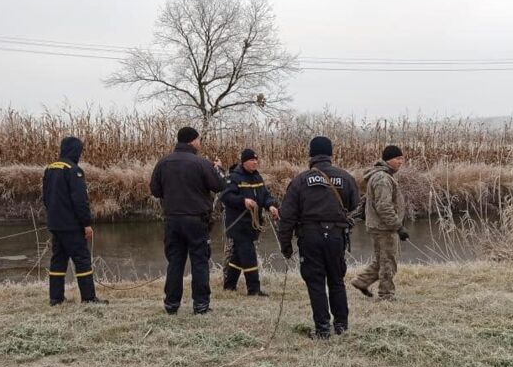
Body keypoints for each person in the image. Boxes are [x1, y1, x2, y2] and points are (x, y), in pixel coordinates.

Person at [278, 136, 359, 339]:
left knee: (315, 282)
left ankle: (322, 329)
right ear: (331, 154)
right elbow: (355, 206)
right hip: (336, 236)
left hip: (310, 237)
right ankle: (341, 325)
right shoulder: (346, 177)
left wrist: (285, 246)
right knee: (336, 280)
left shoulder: (300, 180)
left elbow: (287, 217)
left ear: (311, 155)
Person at [150, 127, 225, 315]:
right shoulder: (202, 163)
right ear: (192, 141)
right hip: (197, 220)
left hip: (172, 220)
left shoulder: (163, 162)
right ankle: (200, 305)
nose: (200, 143)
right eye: (199, 140)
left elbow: (155, 190)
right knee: (199, 262)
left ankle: (171, 304)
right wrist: (218, 169)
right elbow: (219, 185)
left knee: (175, 262)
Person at [43, 136, 108, 306]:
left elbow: (46, 198)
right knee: (82, 260)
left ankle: (55, 298)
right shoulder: (74, 170)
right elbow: (80, 201)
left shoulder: (50, 169)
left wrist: (54, 217)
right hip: (72, 226)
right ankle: (89, 298)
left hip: (55, 224)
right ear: (75, 151)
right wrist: (86, 224)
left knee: (58, 260)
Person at [351, 145, 408, 301]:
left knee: (383, 259)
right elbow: (384, 206)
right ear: (388, 160)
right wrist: (398, 226)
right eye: (397, 158)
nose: (400, 162)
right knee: (388, 261)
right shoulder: (382, 178)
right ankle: (386, 295)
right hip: (384, 227)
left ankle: (362, 281)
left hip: (380, 226)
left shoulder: (383, 176)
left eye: (402, 159)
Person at [220, 149, 279, 296]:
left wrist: (271, 206)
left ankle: (229, 286)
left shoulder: (257, 177)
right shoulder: (234, 177)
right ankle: (254, 290)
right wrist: (243, 201)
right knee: (249, 255)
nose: (255, 162)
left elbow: (265, 196)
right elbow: (226, 197)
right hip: (238, 225)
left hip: (252, 225)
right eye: (252, 160)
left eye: (256, 160)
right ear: (244, 162)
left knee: (238, 256)